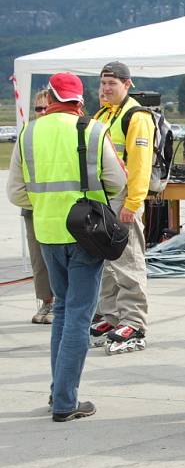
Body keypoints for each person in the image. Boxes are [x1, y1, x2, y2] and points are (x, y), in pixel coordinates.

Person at [6, 73, 127, 420]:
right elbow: (118, 182)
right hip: (86, 234)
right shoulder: (92, 130)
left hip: (47, 233)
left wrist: (45, 205)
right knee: (79, 315)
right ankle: (64, 401)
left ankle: (57, 390)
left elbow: (15, 192)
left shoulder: (28, 133)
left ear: (51, 97)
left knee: (61, 309)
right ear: (78, 100)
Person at [90, 61, 154, 353]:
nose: (106, 89)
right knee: (106, 262)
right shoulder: (102, 114)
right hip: (102, 198)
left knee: (127, 261)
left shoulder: (136, 117)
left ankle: (134, 321)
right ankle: (113, 315)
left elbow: (141, 164)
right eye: (103, 83)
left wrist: (133, 202)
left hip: (124, 198)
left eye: (112, 83)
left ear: (128, 85)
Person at [23, 89, 55, 324]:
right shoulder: (28, 134)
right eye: (38, 108)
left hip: (61, 206)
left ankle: (63, 302)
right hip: (34, 206)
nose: (42, 112)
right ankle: (46, 302)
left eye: (46, 107)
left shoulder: (63, 132)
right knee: (39, 258)